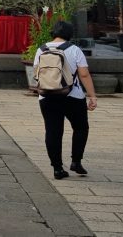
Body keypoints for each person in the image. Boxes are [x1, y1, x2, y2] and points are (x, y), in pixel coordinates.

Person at [33, 20, 97, 180]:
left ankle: (57, 168)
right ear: (70, 34)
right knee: (81, 128)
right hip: (72, 96)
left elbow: (36, 73)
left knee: (53, 130)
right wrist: (92, 95)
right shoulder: (74, 50)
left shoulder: (41, 49)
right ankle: (76, 161)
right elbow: (84, 74)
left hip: (47, 96)